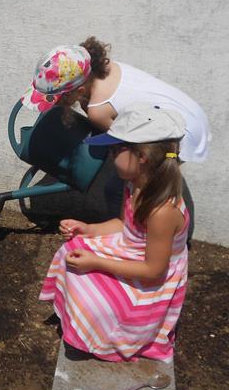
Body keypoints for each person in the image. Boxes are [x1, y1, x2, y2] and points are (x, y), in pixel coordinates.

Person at [40, 104, 190, 362]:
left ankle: (107, 333)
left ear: (141, 156)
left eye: (115, 149)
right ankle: (82, 319)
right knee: (72, 249)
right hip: (131, 250)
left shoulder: (161, 211)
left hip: (151, 277)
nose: (110, 155)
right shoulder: (136, 184)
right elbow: (124, 225)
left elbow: (154, 271)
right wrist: (88, 229)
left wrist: (97, 262)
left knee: (90, 292)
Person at [20, 37, 211, 163]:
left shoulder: (97, 110)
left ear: (80, 90)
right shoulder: (106, 67)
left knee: (120, 188)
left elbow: (132, 146)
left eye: (59, 99)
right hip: (190, 112)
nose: (57, 104)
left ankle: (136, 224)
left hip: (179, 133)